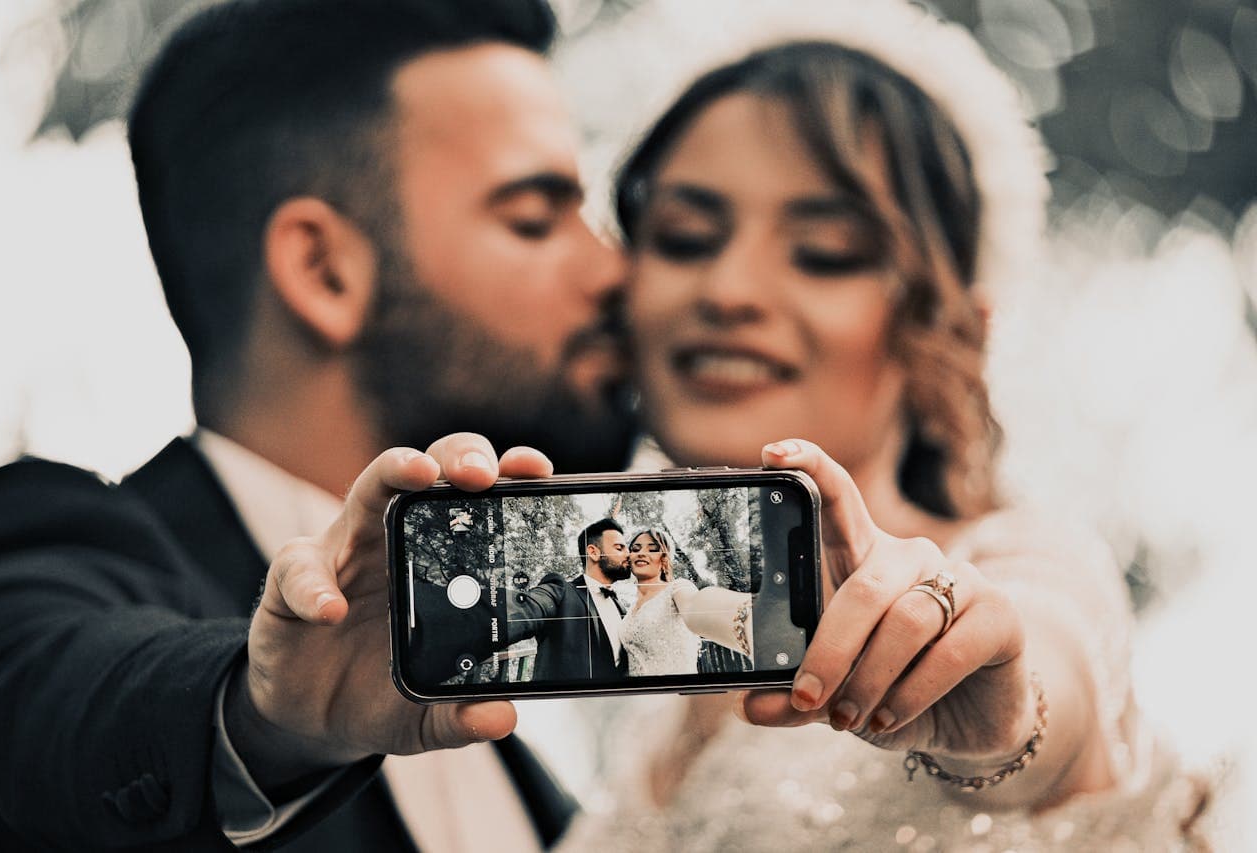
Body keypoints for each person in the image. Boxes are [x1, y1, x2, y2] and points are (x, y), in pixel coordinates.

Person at [0, 0, 636, 849]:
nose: (613, 269)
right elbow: (60, 706)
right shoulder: (42, 560)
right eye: (534, 218)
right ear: (323, 270)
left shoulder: (517, 728)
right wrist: (260, 714)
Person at [556, 1, 1205, 849]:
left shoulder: (1018, 566)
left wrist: (1007, 707)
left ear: (950, 329)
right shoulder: (664, 686)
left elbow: (1045, 665)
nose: (728, 290)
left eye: (825, 252)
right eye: (684, 237)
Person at [505, 518, 633, 682]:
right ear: (593, 552)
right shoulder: (560, 591)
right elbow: (524, 609)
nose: (628, 554)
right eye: (619, 548)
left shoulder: (622, 608)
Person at [620, 528, 753, 676]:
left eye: (652, 549)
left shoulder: (677, 589)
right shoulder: (628, 611)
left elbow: (694, 606)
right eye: (635, 549)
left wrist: (751, 620)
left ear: (664, 560)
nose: (641, 553)